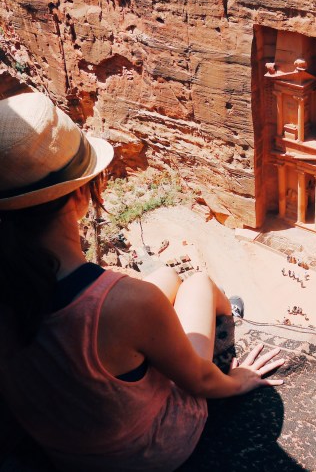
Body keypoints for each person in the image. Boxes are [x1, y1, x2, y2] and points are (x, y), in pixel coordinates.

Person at [0, 92, 285, 471]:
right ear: (80, 194)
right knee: (197, 284)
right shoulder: (127, 303)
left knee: (165, 276)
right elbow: (200, 381)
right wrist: (239, 380)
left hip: (63, 449)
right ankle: (228, 318)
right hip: (146, 451)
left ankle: (206, 317)